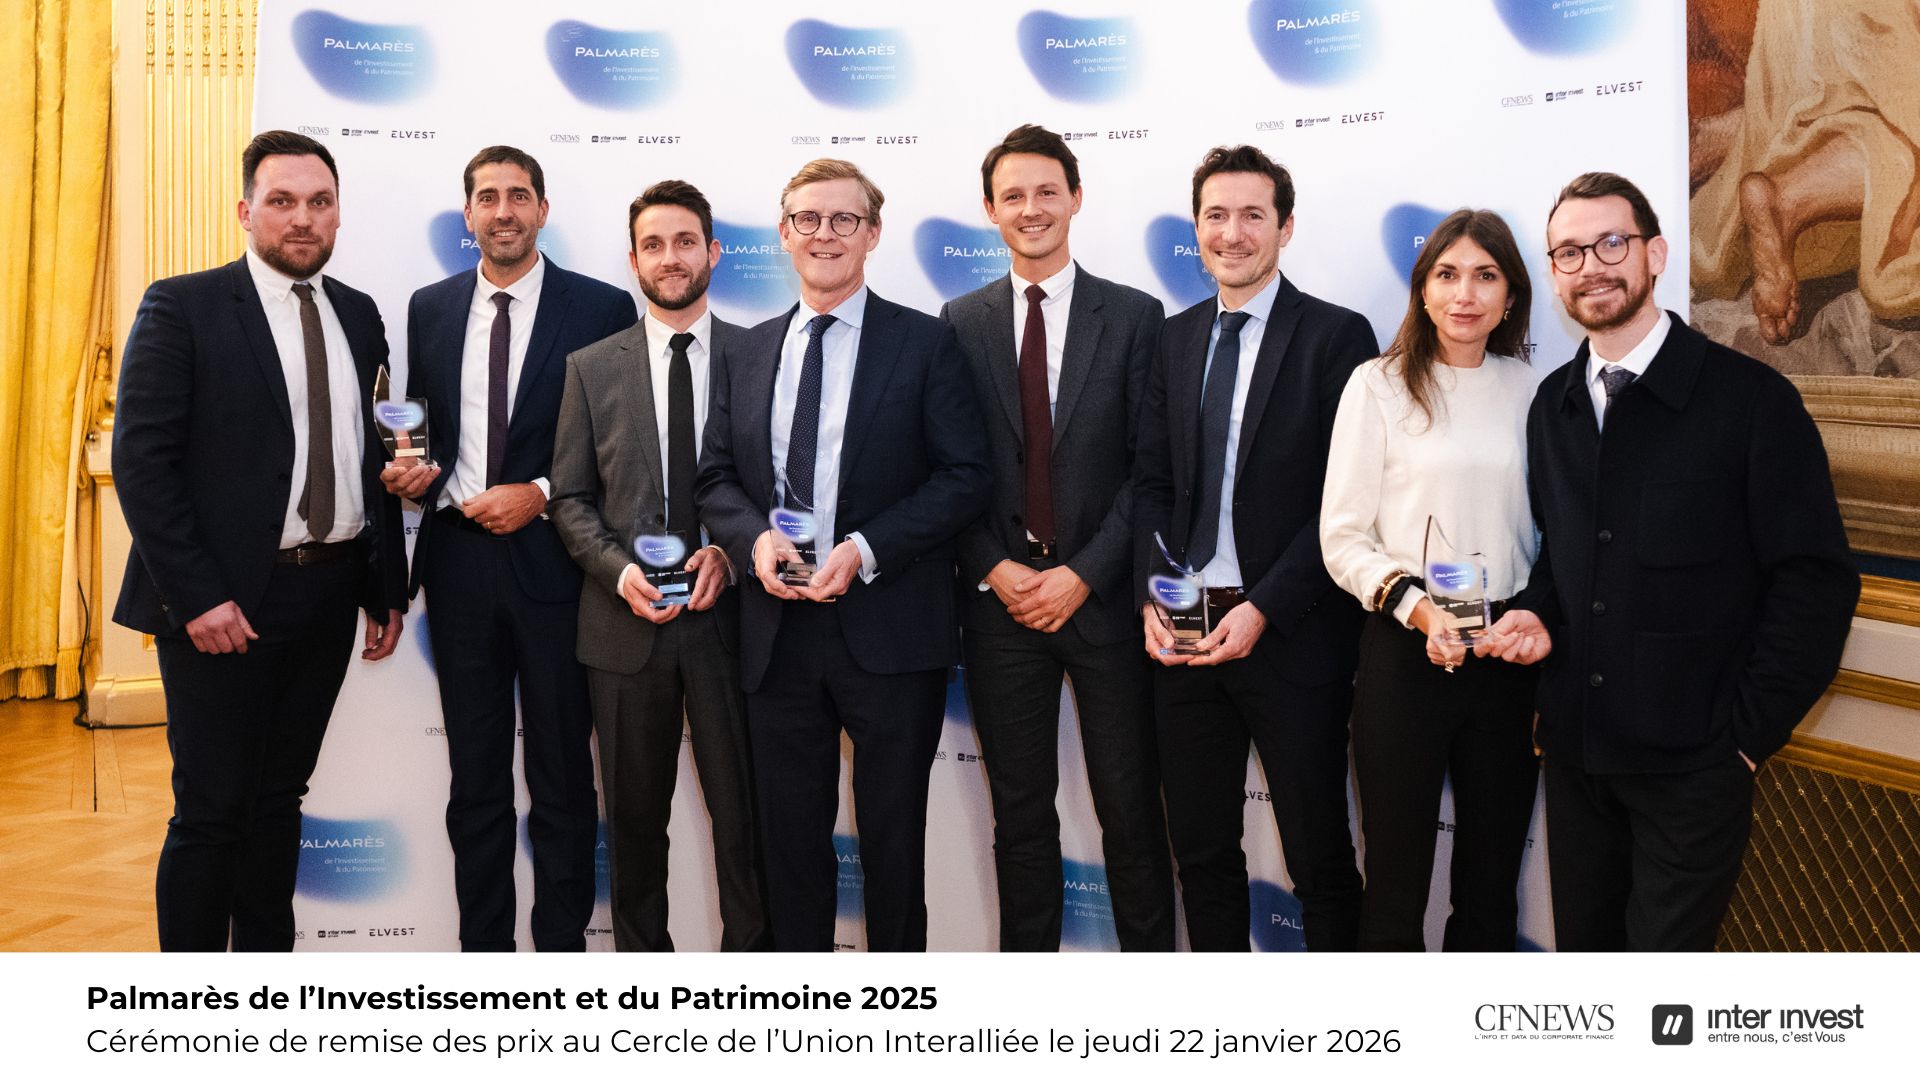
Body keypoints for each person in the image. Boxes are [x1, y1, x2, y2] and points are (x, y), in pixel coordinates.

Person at [1479, 172, 1859, 950]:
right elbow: (1560, 558)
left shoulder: (1751, 401)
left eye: (1611, 244)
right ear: (1553, 273)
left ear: (1654, 254)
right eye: (1570, 252)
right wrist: (1537, 615)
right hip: (1578, 760)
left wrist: (1744, 741)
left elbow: (1816, 581)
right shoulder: (1553, 406)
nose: (1592, 267)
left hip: (1695, 770)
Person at [113, 129, 407, 950]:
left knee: (280, 801)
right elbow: (143, 463)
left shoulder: (359, 314)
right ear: (246, 212)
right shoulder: (184, 306)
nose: (302, 218)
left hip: (328, 594)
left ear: (338, 213)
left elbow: (371, 459)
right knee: (212, 812)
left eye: (319, 202)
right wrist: (197, 597)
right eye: (282, 201)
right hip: (224, 604)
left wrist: (385, 586)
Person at [696, 158, 991, 951]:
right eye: (808, 219)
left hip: (890, 630)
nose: (824, 234)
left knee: (893, 846)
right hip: (776, 634)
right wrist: (753, 539)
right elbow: (715, 477)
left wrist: (864, 548)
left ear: (873, 234)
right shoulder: (746, 352)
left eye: (844, 219)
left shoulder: (926, 343)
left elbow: (965, 476)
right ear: (784, 233)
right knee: (789, 851)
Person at [380, 146, 636, 952]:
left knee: (562, 777)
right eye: (487, 197)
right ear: (468, 214)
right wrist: (412, 475)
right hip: (458, 568)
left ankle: (559, 954)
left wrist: (543, 492)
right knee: (476, 780)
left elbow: (621, 442)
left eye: (518, 196)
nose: (503, 212)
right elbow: (424, 426)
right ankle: (484, 956)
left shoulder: (599, 307)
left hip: (557, 567)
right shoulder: (430, 306)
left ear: (542, 210)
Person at [1134, 144, 1378, 951]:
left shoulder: (1337, 336)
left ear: (1285, 227)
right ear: (1195, 229)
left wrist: (1263, 608)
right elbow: (1153, 483)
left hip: (1293, 636)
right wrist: (1152, 595)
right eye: (1215, 215)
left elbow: (1344, 504)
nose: (1231, 233)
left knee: (1320, 861)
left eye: (1251, 215)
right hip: (1185, 639)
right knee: (1203, 858)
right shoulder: (1173, 339)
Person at [940, 124, 1173, 951]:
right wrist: (994, 567)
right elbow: (950, 468)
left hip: (1103, 603)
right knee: (1021, 819)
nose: (1031, 208)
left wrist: (1085, 572)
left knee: (1131, 813)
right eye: (1013, 195)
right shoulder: (959, 321)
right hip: (1000, 608)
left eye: (1047, 191)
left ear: (1076, 197)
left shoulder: (1136, 317)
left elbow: (1151, 471)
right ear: (989, 210)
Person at [548, 180, 768, 952]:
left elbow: (780, 493)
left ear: (714, 251)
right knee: (635, 830)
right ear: (633, 259)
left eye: (684, 242)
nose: (669, 258)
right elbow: (570, 498)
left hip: (734, 627)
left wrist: (732, 558)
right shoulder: (589, 367)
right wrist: (619, 572)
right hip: (623, 630)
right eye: (653, 245)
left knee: (746, 824)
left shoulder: (760, 355)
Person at [1320, 208, 1542, 951]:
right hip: (1405, 651)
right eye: (1447, 274)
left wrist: (1530, 619)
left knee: (1490, 884)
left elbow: (1552, 533)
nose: (1464, 294)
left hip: (1505, 657)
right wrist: (1418, 611)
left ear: (1510, 296)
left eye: (1486, 276)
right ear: (1422, 290)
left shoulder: (1533, 391)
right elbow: (1342, 535)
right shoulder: (1377, 386)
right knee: (1395, 882)